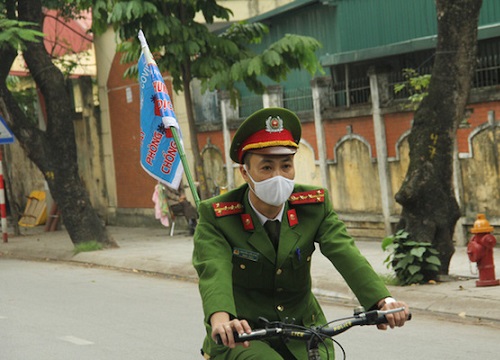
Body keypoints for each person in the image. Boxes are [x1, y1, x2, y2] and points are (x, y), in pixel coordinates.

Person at [192, 107, 410, 359]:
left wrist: (382, 300)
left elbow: (345, 252)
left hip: (304, 330)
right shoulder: (218, 216)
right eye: (266, 167)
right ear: (245, 172)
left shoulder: (313, 206)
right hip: (242, 334)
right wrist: (222, 320)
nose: (279, 176)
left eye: (286, 165)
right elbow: (213, 269)